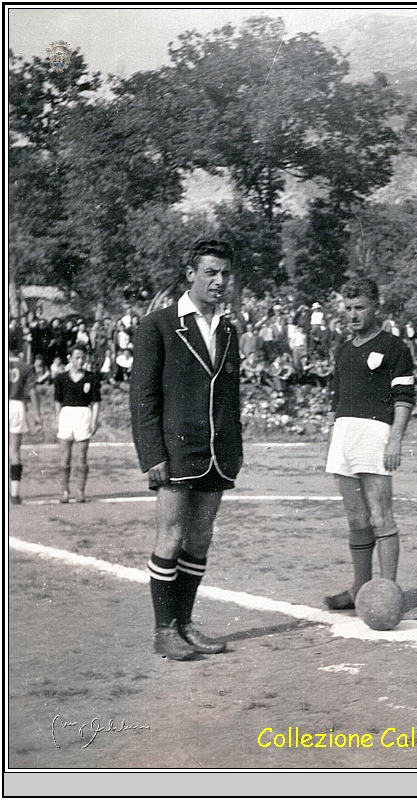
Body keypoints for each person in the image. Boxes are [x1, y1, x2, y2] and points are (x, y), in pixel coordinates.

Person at [130, 238, 243, 661]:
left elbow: (231, 396)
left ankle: (185, 622)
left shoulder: (228, 329)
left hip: (217, 451)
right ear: (190, 274)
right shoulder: (157, 325)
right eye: (211, 272)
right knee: (172, 535)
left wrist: (235, 449)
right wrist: (152, 455)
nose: (219, 281)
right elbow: (142, 398)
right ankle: (164, 630)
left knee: (200, 538)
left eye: (225, 273)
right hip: (175, 451)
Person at [324, 277, 415, 611]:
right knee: (355, 519)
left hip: (376, 434)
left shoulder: (395, 347)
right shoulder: (344, 349)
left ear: (376, 306)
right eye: (347, 308)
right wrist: (334, 437)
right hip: (345, 434)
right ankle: (359, 589)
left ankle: (388, 593)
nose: (352, 314)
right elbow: (338, 400)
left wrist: (395, 440)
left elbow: (404, 398)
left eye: (359, 307)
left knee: (380, 517)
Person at [54, 344, 101, 503]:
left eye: (83, 357)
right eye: (77, 357)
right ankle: (64, 491)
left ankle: (80, 491)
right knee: (64, 457)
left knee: (82, 457)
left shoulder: (91, 377)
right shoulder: (61, 378)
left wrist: (94, 421)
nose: (80, 361)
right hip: (66, 415)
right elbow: (58, 402)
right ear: (70, 358)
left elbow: (95, 402)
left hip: (83, 415)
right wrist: (57, 418)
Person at [9, 333, 42, 504]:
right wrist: (36, 414)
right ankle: (14, 494)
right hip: (16, 407)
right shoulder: (25, 367)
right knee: (14, 451)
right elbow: (32, 391)